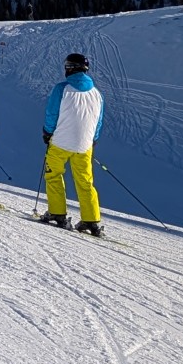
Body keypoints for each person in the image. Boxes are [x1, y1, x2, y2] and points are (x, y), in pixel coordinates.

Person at [39, 52, 106, 235]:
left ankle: (57, 212)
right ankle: (91, 220)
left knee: (53, 175)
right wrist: (92, 140)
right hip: (85, 146)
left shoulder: (62, 88)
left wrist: (47, 132)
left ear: (70, 68)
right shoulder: (97, 94)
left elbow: (52, 113)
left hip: (60, 142)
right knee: (85, 181)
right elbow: (98, 122)